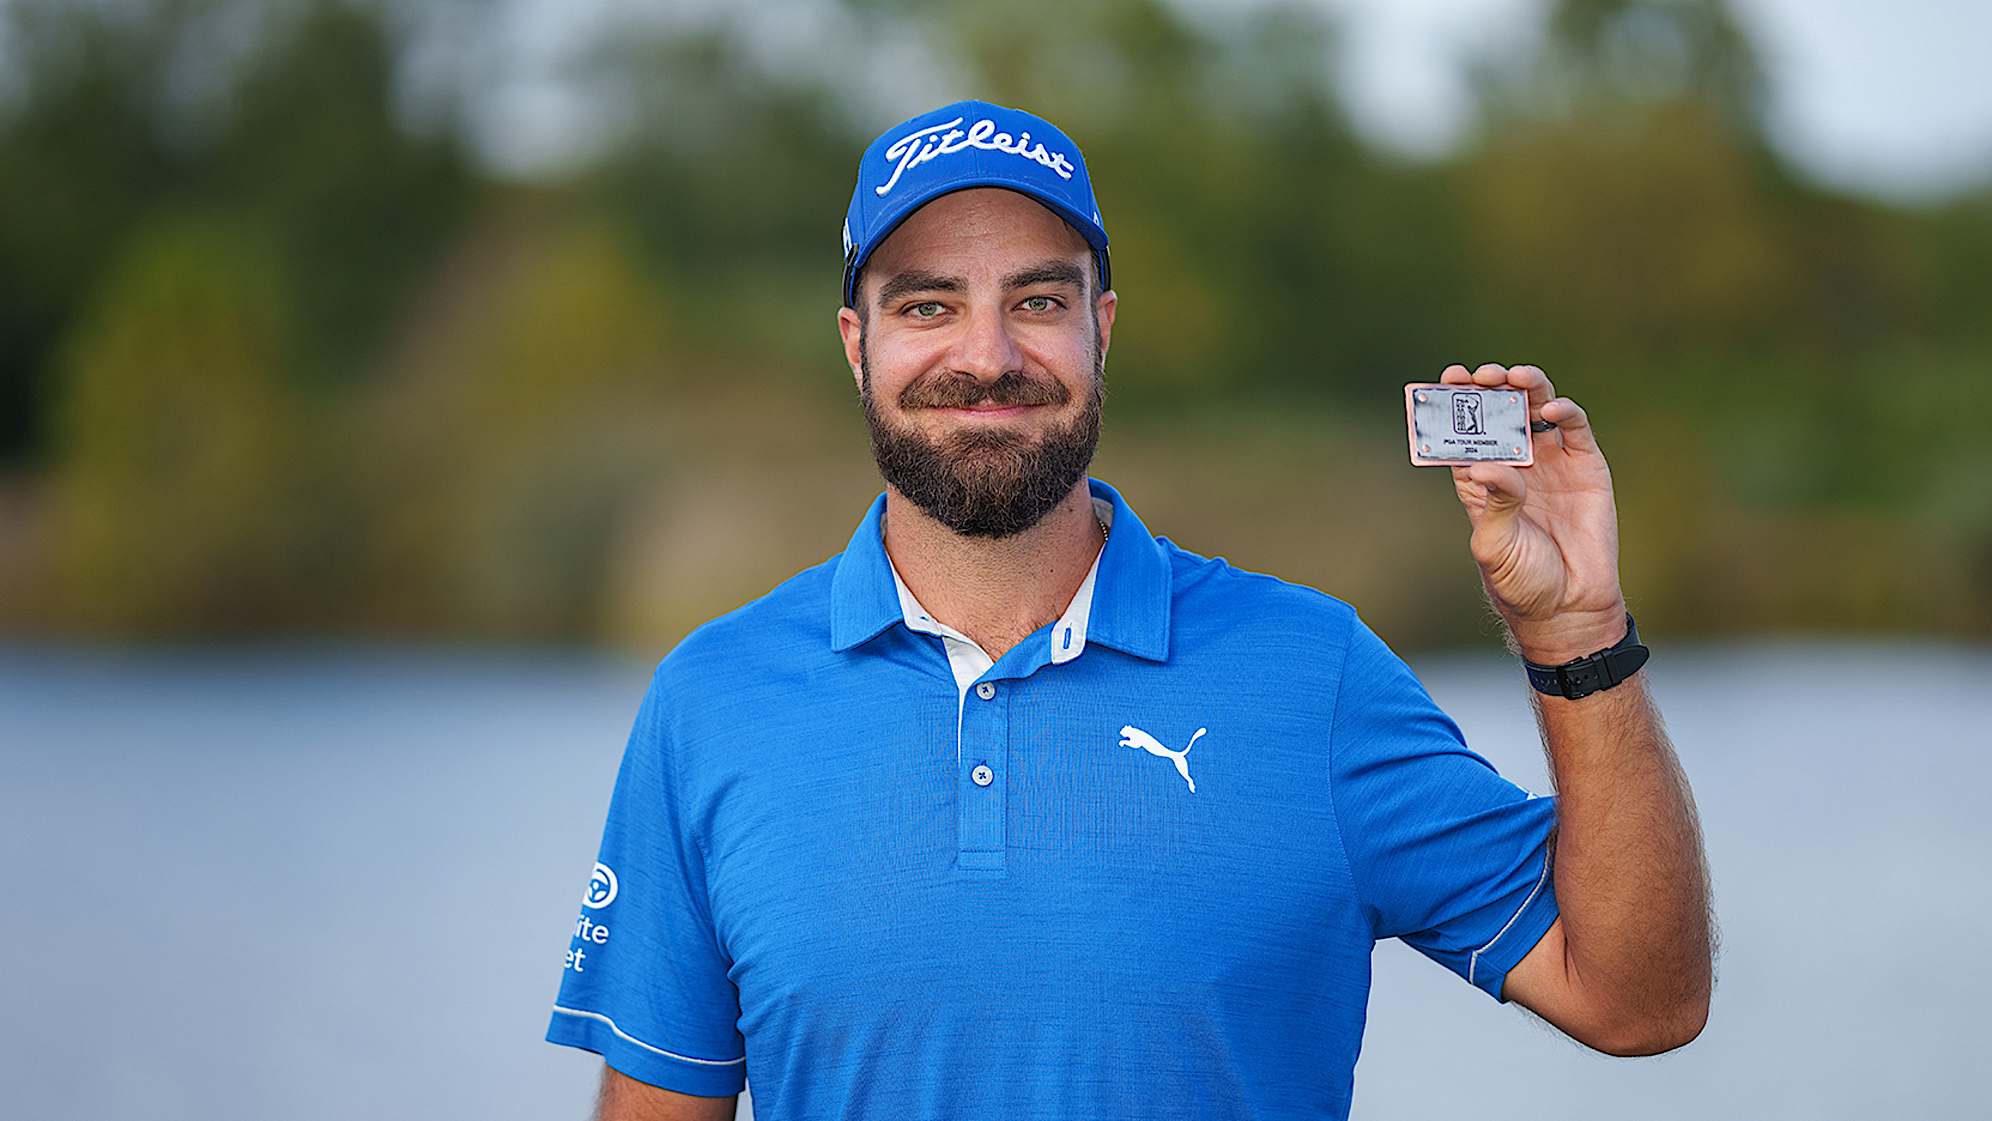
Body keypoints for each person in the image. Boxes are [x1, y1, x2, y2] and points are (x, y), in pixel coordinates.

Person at [544, 99, 1713, 1121]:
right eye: (929, 305)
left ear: (1102, 328)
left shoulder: (1314, 673)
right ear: (859, 345)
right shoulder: (713, 699)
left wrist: (1576, 631)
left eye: (1039, 299)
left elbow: (1640, 996)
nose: (988, 354)